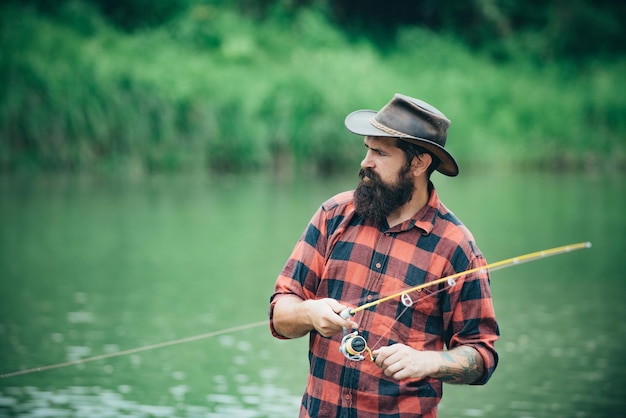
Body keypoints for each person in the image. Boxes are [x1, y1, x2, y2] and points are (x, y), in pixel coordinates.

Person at [269, 93, 499, 417]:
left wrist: (427, 362)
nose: (366, 162)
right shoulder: (334, 215)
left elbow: (482, 358)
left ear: (418, 163)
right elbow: (280, 313)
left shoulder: (456, 249)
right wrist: (310, 313)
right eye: (367, 149)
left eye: (380, 152)